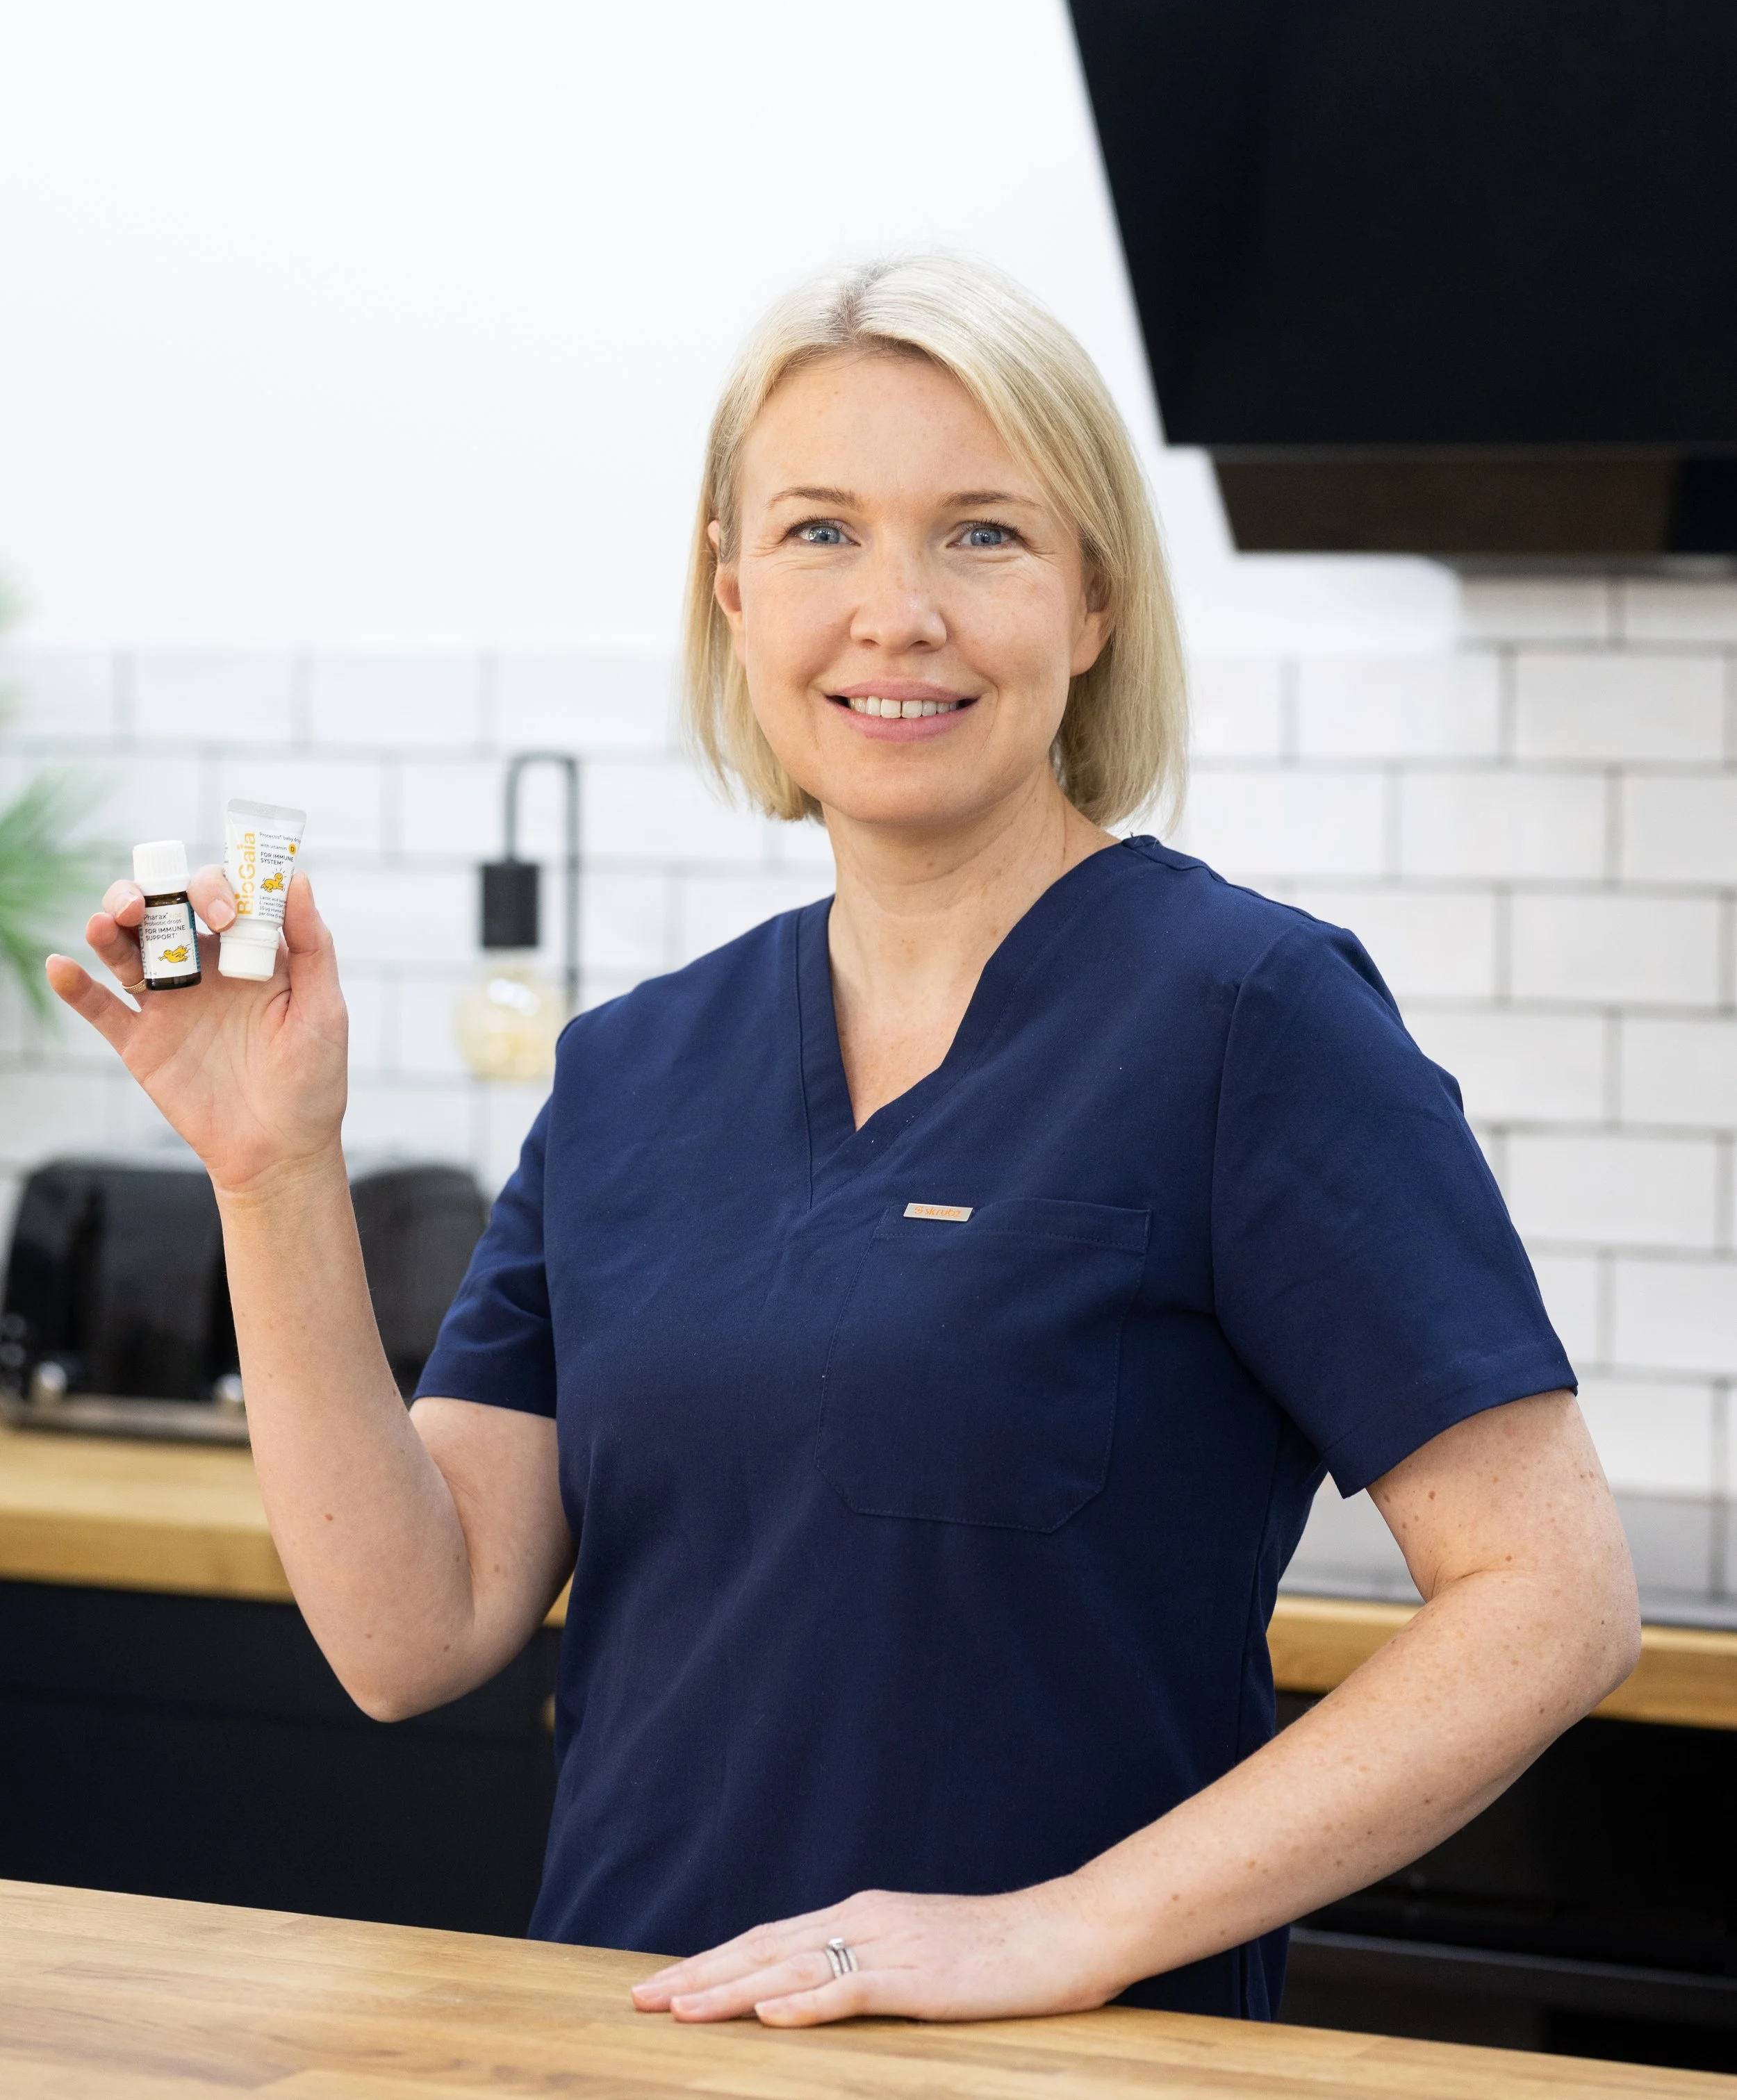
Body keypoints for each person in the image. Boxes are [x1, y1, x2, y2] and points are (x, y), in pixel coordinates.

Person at [50, 254, 1638, 2030]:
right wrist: (271, 1174)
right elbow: (413, 1631)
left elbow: (1552, 1596)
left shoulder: (1246, 1019)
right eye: (818, 534)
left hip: (1054, 2072)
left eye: (980, 535)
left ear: (1091, 602)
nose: (894, 612)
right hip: (625, 2042)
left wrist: (1064, 1928)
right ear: (730, 594)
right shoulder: (635, 1065)